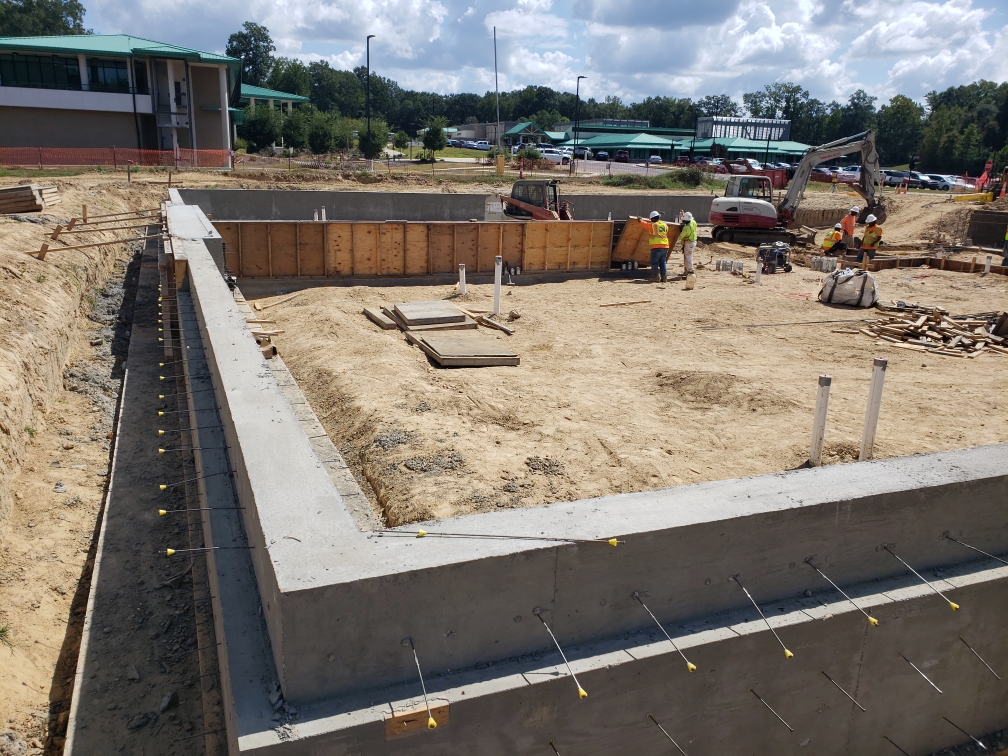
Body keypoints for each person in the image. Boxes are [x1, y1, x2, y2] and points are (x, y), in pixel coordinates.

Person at [639, 211, 669, 282]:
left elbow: (644, 224)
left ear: (652, 219)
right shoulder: (664, 225)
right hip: (665, 246)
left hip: (656, 247)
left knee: (654, 263)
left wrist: (640, 220)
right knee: (663, 262)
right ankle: (664, 277)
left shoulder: (653, 225)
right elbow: (666, 232)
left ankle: (656, 277)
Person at [678, 211, 698, 289]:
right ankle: (687, 271)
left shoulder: (686, 227)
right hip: (693, 241)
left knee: (688, 256)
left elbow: (681, 236)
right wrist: (682, 216)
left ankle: (690, 271)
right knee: (688, 256)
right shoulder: (693, 222)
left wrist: (680, 230)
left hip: (688, 242)